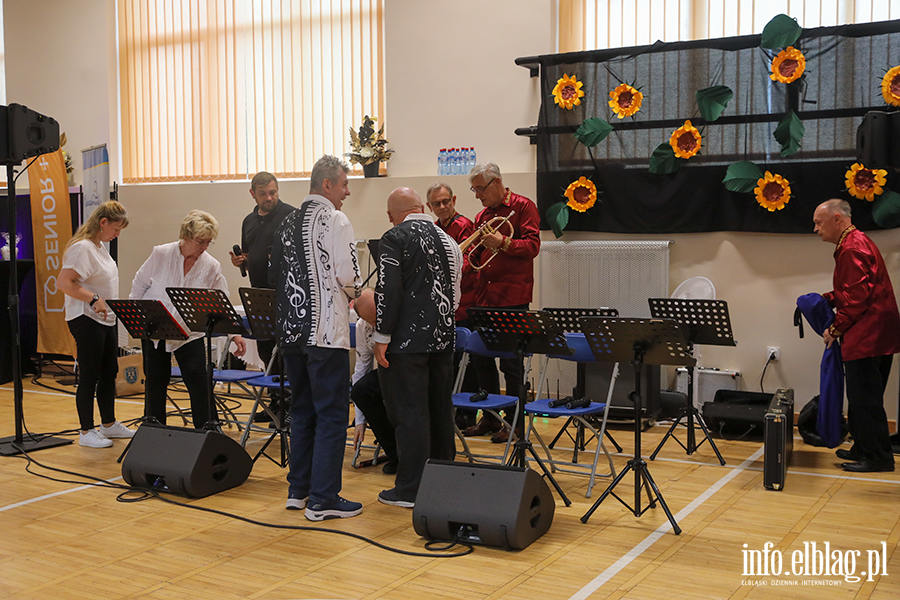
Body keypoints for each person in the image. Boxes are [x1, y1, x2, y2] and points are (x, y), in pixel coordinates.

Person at [270, 155, 362, 520]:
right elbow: (348, 274)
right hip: (325, 333)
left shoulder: (286, 221)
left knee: (302, 410)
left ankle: (299, 490)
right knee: (333, 414)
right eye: (344, 184)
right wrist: (360, 296)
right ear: (327, 185)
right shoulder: (336, 219)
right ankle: (324, 498)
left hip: (291, 333)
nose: (347, 192)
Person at [374, 187, 462, 508]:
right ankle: (445, 478)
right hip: (443, 337)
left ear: (391, 215)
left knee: (410, 413)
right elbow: (455, 294)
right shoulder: (449, 240)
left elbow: (389, 292)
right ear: (422, 207)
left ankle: (410, 489)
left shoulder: (394, 238)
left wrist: (382, 336)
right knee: (440, 408)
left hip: (407, 342)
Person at [130, 210, 246, 428]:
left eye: (208, 243)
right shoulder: (161, 253)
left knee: (198, 381)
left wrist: (235, 333)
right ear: (186, 236)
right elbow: (139, 285)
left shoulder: (211, 265)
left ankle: (207, 432)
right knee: (156, 382)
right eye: (200, 241)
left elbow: (221, 301)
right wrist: (136, 319)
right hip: (156, 329)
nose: (203, 247)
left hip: (189, 334)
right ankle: (154, 432)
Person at [814, 198, 900, 472]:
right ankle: (863, 447)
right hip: (878, 332)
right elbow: (856, 289)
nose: (816, 228)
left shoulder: (851, 248)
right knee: (862, 396)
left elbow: (856, 301)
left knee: (865, 398)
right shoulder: (856, 241)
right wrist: (827, 298)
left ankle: (878, 458)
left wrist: (834, 329)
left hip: (868, 334)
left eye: (819, 222)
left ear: (837, 219)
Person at [462, 162, 541, 444]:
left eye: (480, 189)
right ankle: (490, 417)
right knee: (482, 360)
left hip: (512, 298)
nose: (477, 195)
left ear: (496, 183)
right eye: (474, 189)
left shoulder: (523, 207)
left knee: (511, 365)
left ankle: (516, 423)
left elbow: (533, 246)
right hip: (485, 297)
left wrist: (503, 242)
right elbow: (475, 253)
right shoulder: (482, 215)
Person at [58, 201, 135, 448]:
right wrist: (93, 299)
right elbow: (64, 282)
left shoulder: (99, 247)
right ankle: (86, 430)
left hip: (106, 319)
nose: (117, 234)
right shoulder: (82, 248)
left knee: (108, 372)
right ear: (103, 223)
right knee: (90, 374)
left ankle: (109, 424)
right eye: (116, 228)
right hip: (86, 318)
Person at [230, 172, 295, 420]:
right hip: (257, 294)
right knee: (266, 351)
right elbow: (248, 256)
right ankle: (274, 405)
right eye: (263, 194)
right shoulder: (248, 220)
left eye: (273, 192)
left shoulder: (290, 214)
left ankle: (289, 406)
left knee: (286, 353)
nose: (269, 198)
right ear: (253, 194)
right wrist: (240, 261)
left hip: (285, 295)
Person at [426, 182, 480, 430]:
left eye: (446, 201)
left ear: (454, 200)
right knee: (449, 361)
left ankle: (468, 414)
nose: (442, 206)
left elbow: (470, 262)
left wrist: (446, 270)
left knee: (466, 362)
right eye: (437, 203)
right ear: (430, 207)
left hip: (465, 303)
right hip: (443, 306)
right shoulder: (434, 229)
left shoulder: (464, 225)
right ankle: (451, 410)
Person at [350, 288, 398, 474]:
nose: (377, 323)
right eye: (371, 320)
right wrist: (359, 421)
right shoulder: (362, 327)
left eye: (378, 317)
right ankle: (394, 452)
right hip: (386, 371)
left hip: (408, 368)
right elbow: (362, 367)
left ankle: (412, 453)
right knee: (361, 390)